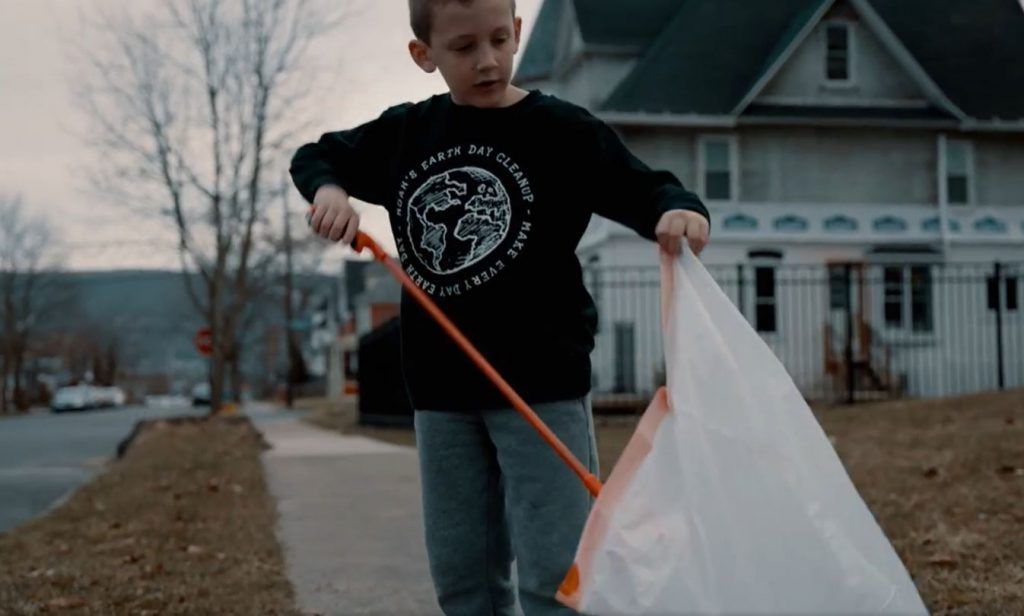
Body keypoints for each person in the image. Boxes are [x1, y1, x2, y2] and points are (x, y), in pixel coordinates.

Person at [290, 0, 710, 612]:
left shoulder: (561, 131)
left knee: (555, 571)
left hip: (541, 385)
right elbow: (317, 155)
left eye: (498, 39)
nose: (487, 61)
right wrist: (330, 191)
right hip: (441, 395)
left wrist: (679, 209)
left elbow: (644, 187)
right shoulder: (408, 134)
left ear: (516, 32)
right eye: (463, 48)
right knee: (463, 577)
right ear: (424, 54)